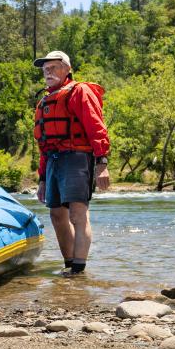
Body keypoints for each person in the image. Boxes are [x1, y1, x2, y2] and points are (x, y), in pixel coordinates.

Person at [33, 51, 110, 276]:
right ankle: (69, 265)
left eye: (54, 67)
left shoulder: (80, 91)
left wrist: (101, 163)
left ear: (67, 69)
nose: (48, 72)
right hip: (54, 161)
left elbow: (96, 127)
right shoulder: (45, 100)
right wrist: (42, 179)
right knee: (57, 215)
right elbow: (44, 144)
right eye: (45, 69)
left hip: (77, 157)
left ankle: (78, 269)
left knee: (77, 214)